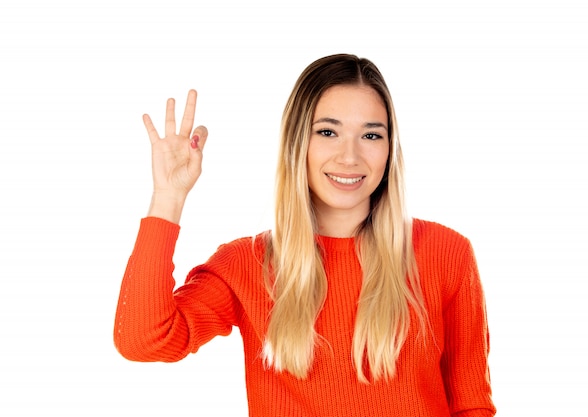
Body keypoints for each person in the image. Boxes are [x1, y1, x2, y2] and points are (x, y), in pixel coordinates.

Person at [114, 53, 496, 416]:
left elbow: (471, 405)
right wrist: (168, 197)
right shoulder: (247, 264)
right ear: (298, 143)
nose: (350, 157)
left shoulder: (446, 253)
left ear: (389, 149)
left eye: (371, 136)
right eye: (328, 131)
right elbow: (142, 339)